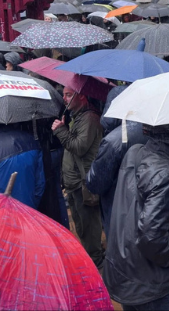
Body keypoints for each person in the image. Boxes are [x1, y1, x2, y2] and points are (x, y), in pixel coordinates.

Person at [103, 123, 169, 311]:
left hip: (123, 270)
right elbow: (152, 238)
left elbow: (149, 197)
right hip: (151, 284)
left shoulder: (135, 152)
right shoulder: (165, 172)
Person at [52, 87, 105, 268]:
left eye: (68, 94)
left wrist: (60, 130)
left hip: (83, 183)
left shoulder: (90, 118)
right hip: (74, 181)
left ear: (81, 95)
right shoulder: (78, 116)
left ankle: (96, 261)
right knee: (81, 224)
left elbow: (79, 147)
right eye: (64, 94)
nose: (64, 98)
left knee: (88, 225)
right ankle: (91, 255)